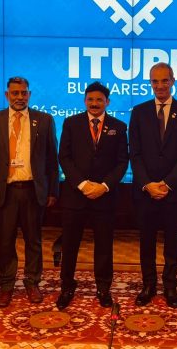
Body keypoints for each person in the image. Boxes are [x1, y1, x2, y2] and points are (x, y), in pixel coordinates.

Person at [0, 77, 59, 308]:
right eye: (15, 93)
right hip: (5, 191)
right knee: (5, 241)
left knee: (33, 240)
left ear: (29, 95)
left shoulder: (44, 120)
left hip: (32, 190)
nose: (19, 97)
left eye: (23, 93)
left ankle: (32, 282)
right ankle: (6, 285)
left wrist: (52, 190)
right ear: (7, 95)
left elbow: (51, 158)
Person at [129, 63, 177, 308]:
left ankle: (170, 286)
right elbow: (134, 153)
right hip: (146, 191)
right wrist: (148, 183)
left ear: (173, 81)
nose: (160, 86)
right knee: (146, 241)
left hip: (174, 191)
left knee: (172, 242)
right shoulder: (139, 112)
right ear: (150, 83)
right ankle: (148, 285)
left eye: (164, 80)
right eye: (155, 81)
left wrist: (167, 183)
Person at [56, 82, 128, 309]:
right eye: (90, 99)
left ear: (107, 102)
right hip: (75, 195)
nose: (94, 103)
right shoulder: (71, 123)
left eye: (99, 100)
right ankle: (67, 286)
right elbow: (64, 157)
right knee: (70, 245)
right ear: (84, 100)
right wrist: (82, 184)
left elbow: (122, 162)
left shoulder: (119, 126)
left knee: (104, 246)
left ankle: (103, 288)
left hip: (104, 197)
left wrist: (104, 186)